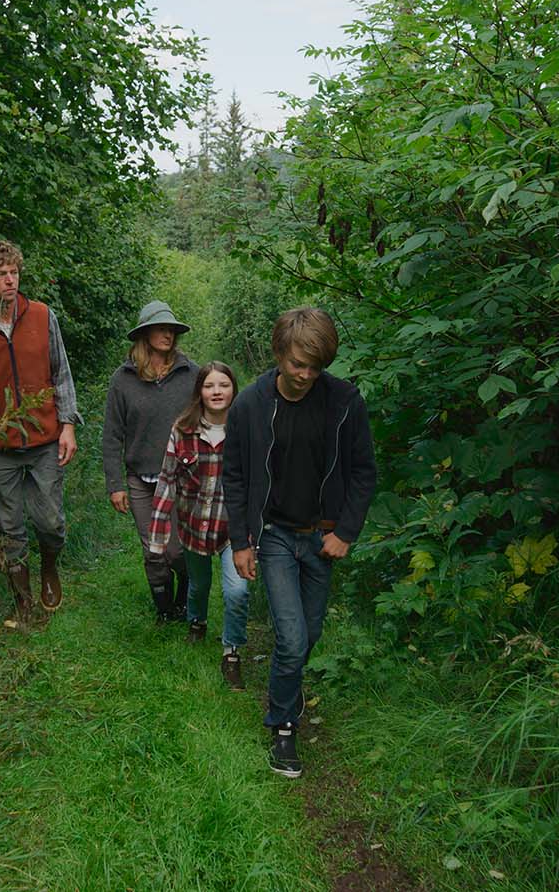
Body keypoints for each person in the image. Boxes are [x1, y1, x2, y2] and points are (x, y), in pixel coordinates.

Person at [224, 307, 376, 778]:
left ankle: (285, 693)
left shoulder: (344, 400)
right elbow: (234, 476)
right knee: (291, 638)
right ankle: (283, 726)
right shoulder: (249, 404)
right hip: (273, 536)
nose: (306, 375)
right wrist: (241, 542)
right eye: (297, 364)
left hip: (321, 538)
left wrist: (345, 532)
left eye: (315, 367)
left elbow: (363, 472)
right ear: (279, 354)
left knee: (309, 636)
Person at [0, 239, 81, 629]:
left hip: (45, 438)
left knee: (51, 522)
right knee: (10, 527)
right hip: (0, 444)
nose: (9, 280)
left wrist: (68, 424)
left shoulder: (41, 316)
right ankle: (22, 606)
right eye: (0, 274)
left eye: (14, 273)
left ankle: (50, 570)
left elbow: (61, 374)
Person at [144, 362, 251, 688]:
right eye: (209, 386)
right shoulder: (183, 430)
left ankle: (231, 652)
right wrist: (159, 535)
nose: (217, 392)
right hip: (193, 527)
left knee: (236, 590)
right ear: (199, 392)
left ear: (234, 389)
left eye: (224, 385)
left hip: (235, 529)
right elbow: (167, 481)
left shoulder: (247, 430)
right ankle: (197, 622)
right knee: (199, 584)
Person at [102, 300, 198, 623]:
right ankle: (165, 611)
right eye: (161, 328)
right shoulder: (123, 379)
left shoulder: (190, 374)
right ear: (144, 333)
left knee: (176, 550)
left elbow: (210, 417)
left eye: (171, 329)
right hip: (140, 480)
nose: (168, 334)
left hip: (181, 476)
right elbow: (112, 435)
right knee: (153, 551)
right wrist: (115, 485)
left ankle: (186, 592)